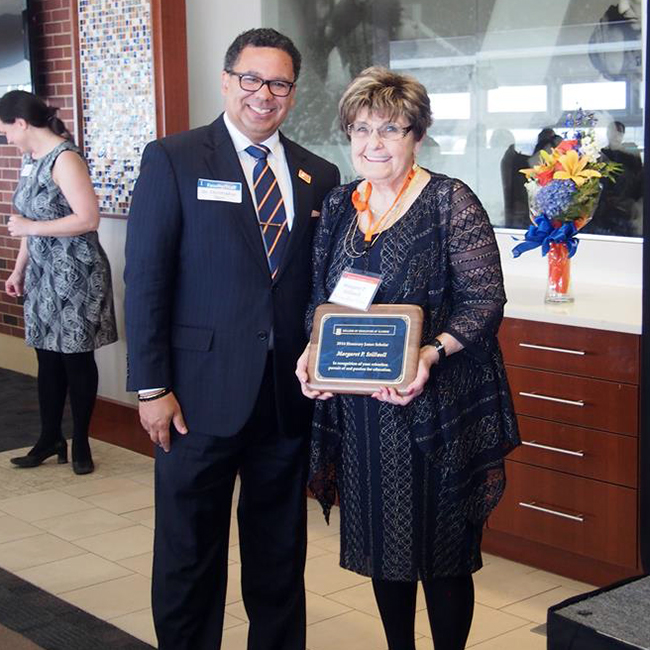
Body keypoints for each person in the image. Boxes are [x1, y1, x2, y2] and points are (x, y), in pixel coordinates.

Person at [124, 28, 339, 650]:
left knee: (279, 558)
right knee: (190, 556)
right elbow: (147, 281)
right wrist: (152, 385)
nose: (264, 94)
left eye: (278, 83)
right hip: (195, 398)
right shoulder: (175, 158)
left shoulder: (318, 174)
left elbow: (319, 285)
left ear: (292, 93)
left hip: (283, 400)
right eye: (252, 79)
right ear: (227, 81)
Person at [295, 67, 519, 650]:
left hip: (436, 407)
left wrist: (430, 352)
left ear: (416, 135)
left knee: (443, 555)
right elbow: (321, 300)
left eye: (391, 129)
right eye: (362, 129)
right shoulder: (341, 203)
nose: (374, 144)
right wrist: (313, 355)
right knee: (384, 548)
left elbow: (484, 300)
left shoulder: (449, 200)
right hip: (366, 413)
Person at [1, 90, 117, 476]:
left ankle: (82, 440)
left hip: (75, 273)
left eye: (6, 130)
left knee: (76, 358)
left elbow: (88, 218)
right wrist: (19, 270)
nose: (6, 138)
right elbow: (28, 225)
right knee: (46, 358)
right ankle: (49, 437)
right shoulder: (29, 161)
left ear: (20, 122)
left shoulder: (65, 158)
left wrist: (32, 227)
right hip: (42, 272)